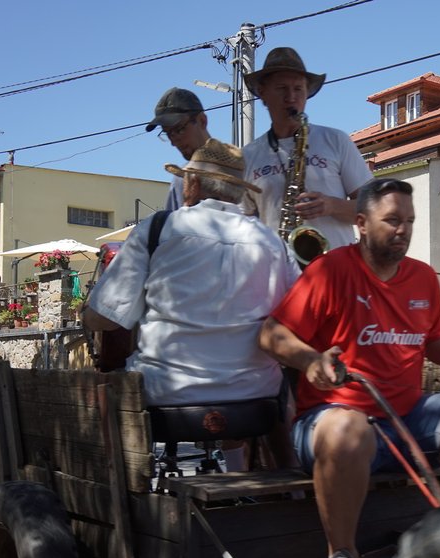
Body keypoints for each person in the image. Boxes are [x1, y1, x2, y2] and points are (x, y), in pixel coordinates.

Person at [258, 178, 440, 558]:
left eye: (409, 221)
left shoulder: (423, 278)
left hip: (407, 421)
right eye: (392, 220)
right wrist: (312, 361)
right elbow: (270, 334)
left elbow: (434, 339)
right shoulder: (330, 271)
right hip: (330, 423)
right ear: (360, 223)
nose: (404, 230)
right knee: (348, 429)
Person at [83, 139, 300, 468]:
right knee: (274, 381)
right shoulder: (272, 241)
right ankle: (249, 480)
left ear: (192, 184)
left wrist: (87, 315)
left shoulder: (158, 229)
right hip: (256, 399)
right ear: (238, 192)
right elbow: (298, 314)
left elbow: (105, 318)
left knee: (100, 389)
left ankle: (123, 485)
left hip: (164, 396)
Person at [242, 47, 373, 251]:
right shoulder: (248, 156)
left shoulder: (336, 140)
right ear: (262, 93)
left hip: (334, 271)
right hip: (279, 272)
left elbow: (374, 208)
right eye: (282, 88)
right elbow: (243, 226)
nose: (291, 97)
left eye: (298, 89)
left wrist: (331, 205)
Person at [145, 87, 213, 212]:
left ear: (202, 121)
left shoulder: (241, 167)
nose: (173, 142)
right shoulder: (180, 180)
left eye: (179, 130)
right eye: (168, 133)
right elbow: (174, 230)